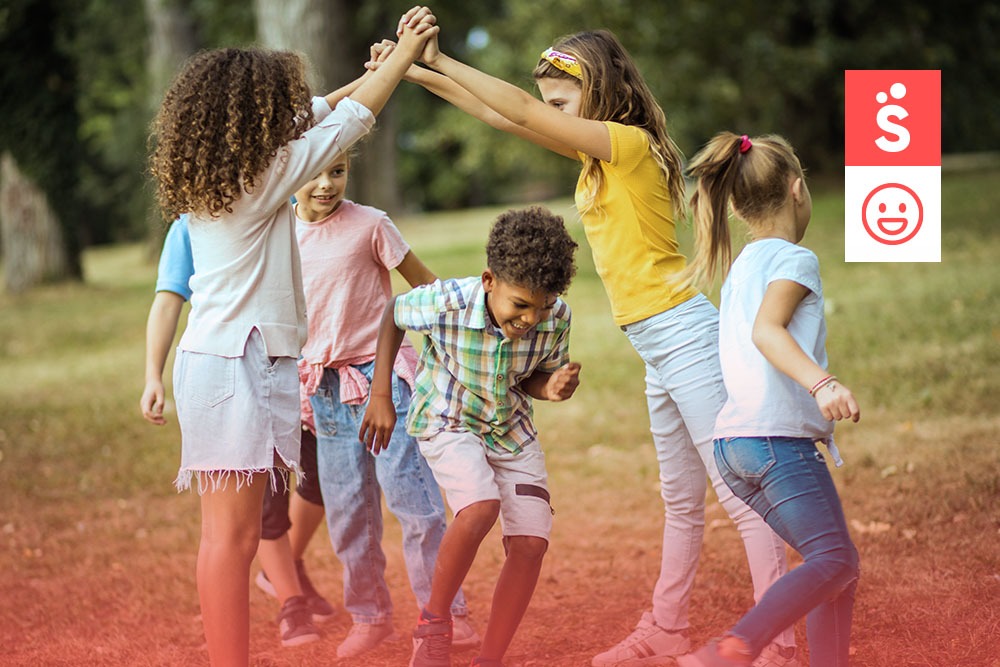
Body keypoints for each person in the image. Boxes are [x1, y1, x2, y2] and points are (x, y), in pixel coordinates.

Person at [376, 14, 797, 667]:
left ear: (597, 89)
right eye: (551, 106)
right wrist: (411, 66)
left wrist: (434, 58)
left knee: (738, 492)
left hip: (682, 332)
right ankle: (666, 625)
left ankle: (781, 641)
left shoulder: (626, 144)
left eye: (560, 104)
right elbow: (505, 119)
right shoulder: (599, 150)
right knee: (680, 497)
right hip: (658, 340)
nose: (548, 114)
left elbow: (514, 106)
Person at [145, 9, 438, 665]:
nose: (290, 118)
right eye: (276, 111)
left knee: (236, 535)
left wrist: (366, 74)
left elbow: (320, 112)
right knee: (229, 537)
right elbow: (347, 125)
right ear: (253, 122)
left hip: (238, 361)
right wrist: (407, 54)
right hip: (232, 364)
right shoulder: (263, 177)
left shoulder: (228, 170)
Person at [359, 206, 581, 667]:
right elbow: (393, 313)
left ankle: (491, 658)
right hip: (448, 418)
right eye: (520, 305)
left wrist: (552, 387)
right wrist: (380, 392)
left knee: (531, 544)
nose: (531, 319)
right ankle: (434, 624)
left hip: (510, 430)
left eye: (542, 306)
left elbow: (532, 379)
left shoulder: (556, 317)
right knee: (480, 506)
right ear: (488, 281)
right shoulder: (447, 302)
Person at [676, 132, 860, 667]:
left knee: (834, 567)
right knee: (833, 558)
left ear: (735, 204)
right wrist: (823, 383)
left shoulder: (743, 267)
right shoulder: (795, 259)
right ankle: (735, 648)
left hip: (735, 448)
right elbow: (767, 331)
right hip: (775, 444)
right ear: (798, 190)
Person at [293, 153, 479, 658]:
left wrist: (471, 332)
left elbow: (428, 287)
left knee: (413, 504)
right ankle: (369, 617)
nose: (327, 184)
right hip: (325, 389)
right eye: (314, 172)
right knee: (349, 513)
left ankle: (449, 615)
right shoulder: (278, 236)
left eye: (338, 170)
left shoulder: (371, 225)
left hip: (385, 383)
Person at [139, 215, 334, 649]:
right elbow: (168, 299)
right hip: (234, 377)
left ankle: (286, 573)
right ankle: (287, 597)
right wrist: (153, 374)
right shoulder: (189, 225)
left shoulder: (278, 207)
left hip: (292, 373)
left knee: (308, 488)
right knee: (240, 526)